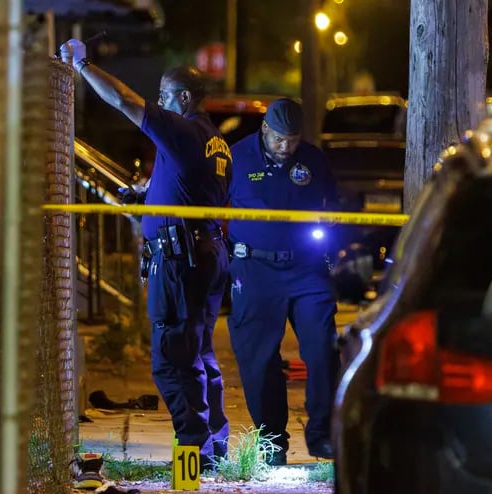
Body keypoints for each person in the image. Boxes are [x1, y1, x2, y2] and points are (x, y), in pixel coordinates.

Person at [60, 39, 232, 470]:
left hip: (181, 260)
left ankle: (195, 453)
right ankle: (216, 440)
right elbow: (193, 191)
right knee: (199, 352)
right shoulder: (216, 142)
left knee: (171, 361)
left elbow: (123, 99)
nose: (159, 102)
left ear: (185, 98)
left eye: (165, 95)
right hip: (206, 253)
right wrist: (146, 193)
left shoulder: (183, 129)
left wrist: (82, 64)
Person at [226, 98, 339, 465]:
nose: (285, 147)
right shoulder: (237, 158)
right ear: (264, 130)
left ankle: (321, 433)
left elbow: (332, 207)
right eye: (278, 139)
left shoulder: (313, 159)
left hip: (306, 268)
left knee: (323, 349)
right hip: (255, 269)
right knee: (258, 360)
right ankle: (272, 441)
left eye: (292, 140)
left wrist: (335, 246)